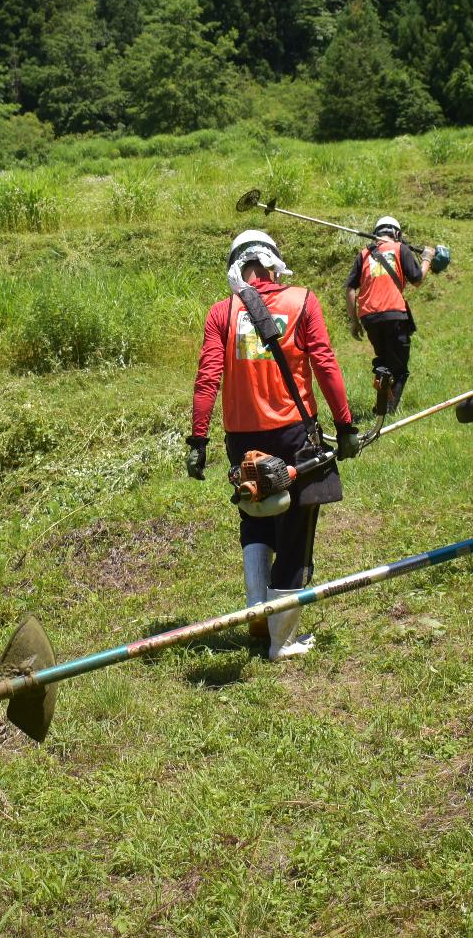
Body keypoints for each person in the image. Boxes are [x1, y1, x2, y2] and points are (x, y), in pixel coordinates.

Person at [187, 229, 362, 660]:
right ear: (272, 264)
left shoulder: (221, 312)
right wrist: (345, 426)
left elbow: (208, 377)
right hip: (291, 433)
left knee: (256, 516)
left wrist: (198, 439)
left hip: (241, 437)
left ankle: (257, 612)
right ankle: (281, 641)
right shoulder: (302, 300)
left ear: (237, 267)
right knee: (296, 528)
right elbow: (324, 362)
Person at [344, 216, 432, 419]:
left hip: (369, 317)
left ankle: (381, 406)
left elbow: (350, 288)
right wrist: (427, 258)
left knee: (384, 362)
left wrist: (353, 321)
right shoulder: (402, 249)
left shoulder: (364, 254)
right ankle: (388, 412)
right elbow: (417, 279)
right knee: (399, 369)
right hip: (393, 314)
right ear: (397, 234)